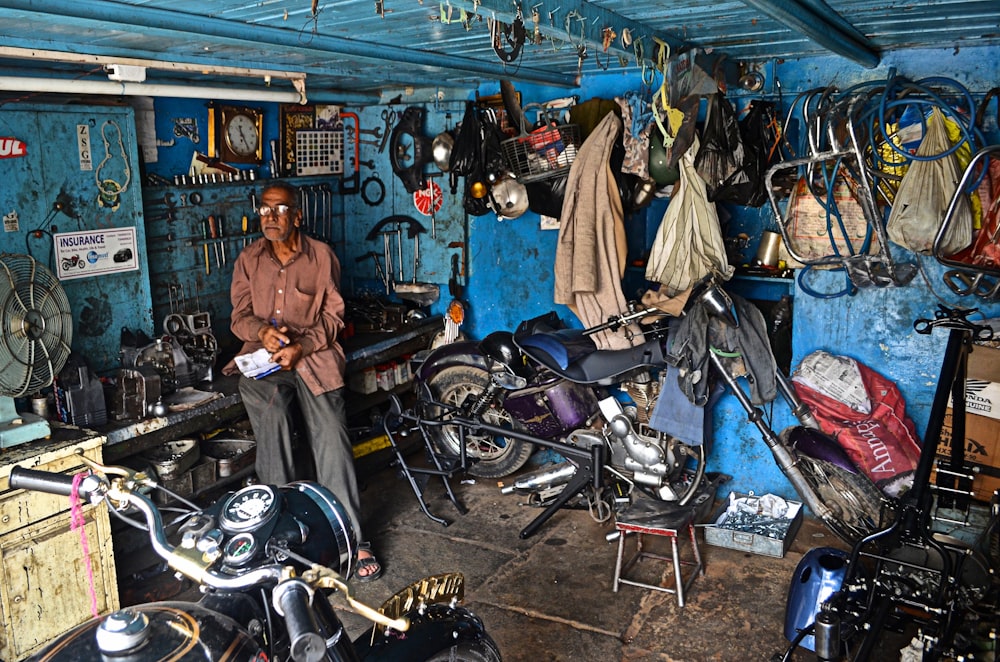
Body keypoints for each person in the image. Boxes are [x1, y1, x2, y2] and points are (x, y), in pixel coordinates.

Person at [223, 180, 382, 581]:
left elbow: (333, 318)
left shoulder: (321, 256)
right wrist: (261, 332)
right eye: (264, 210)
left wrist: (302, 345)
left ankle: (354, 540)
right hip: (264, 363)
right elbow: (238, 317)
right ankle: (277, 538)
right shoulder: (248, 259)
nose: (271, 217)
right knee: (273, 423)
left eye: (280, 210)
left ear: (297, 215)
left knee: (331, 433)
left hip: (313, 358)